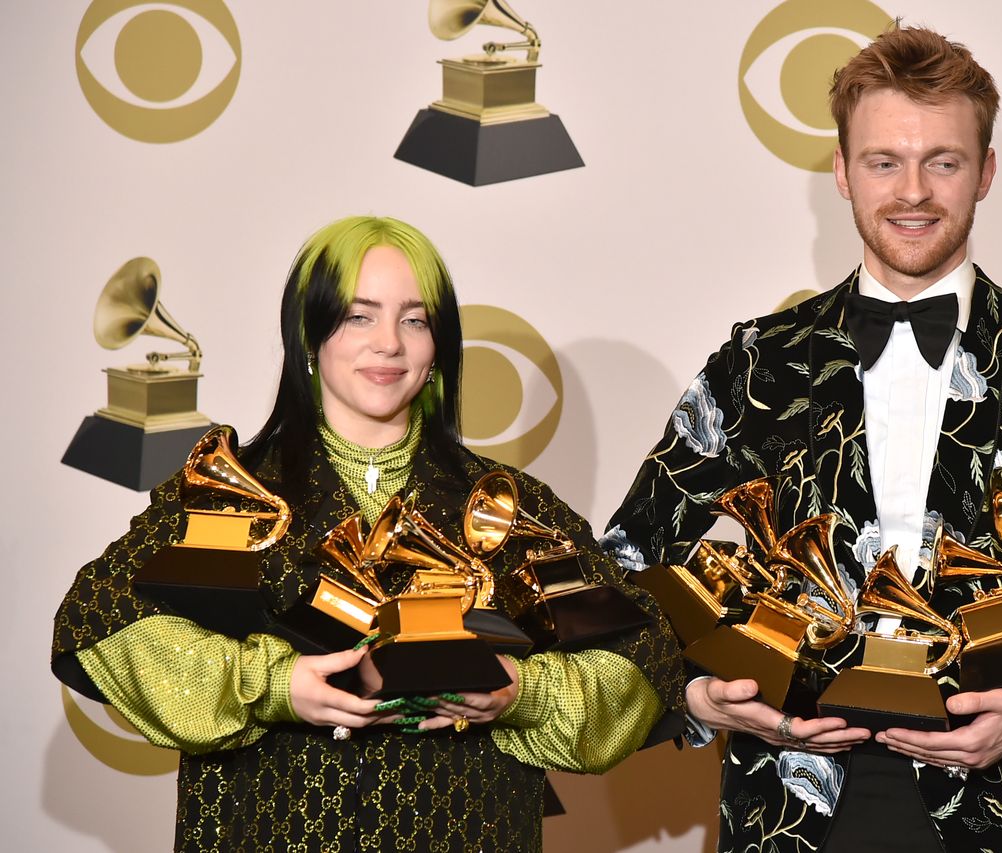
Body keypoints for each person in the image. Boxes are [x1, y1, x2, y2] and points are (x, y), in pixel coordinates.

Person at [603, 26, 1002, 853]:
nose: (913, 191)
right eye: (883, 161)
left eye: (942, 161)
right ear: (840, 172)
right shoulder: (754, 366)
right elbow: (621, 566)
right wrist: (695, 697)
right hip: (785, 808)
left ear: (984, 173)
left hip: (997, 812)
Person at [51, 216, 684, 852]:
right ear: (309, 332)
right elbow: (100, 620)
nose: (390, 344)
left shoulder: (508, 508)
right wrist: (273, 686)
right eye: (359, 316)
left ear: (440, 346)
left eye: (415, 320)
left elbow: (638, 657)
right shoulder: (228, 492)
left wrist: (522, 694)